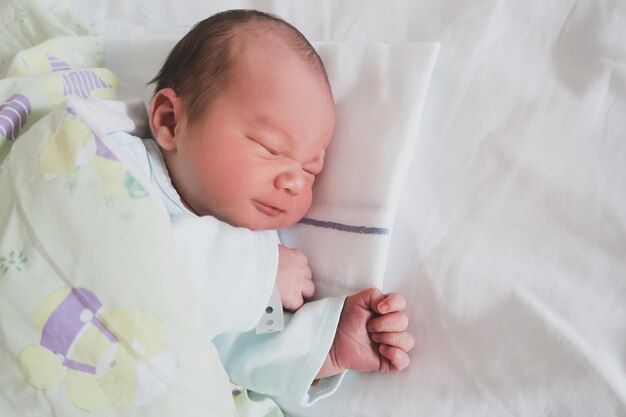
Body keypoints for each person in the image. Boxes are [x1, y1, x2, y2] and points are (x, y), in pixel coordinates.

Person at [108, 9, 414, 407]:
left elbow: (236, 352)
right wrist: (259, 268)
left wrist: (330, 347)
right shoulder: (114, 161)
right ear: (170, 122)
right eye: (270, 148)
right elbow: (120, 249)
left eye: (311, 170)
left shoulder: (257, 251)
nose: (294, 182)